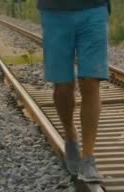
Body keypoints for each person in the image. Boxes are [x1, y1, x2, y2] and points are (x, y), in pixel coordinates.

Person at [37, 0, 111, 182]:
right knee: (63, 84)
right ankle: (70, 135)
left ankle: (87, 158)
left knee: (90, 80)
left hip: (94, 9)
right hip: (55, 12)